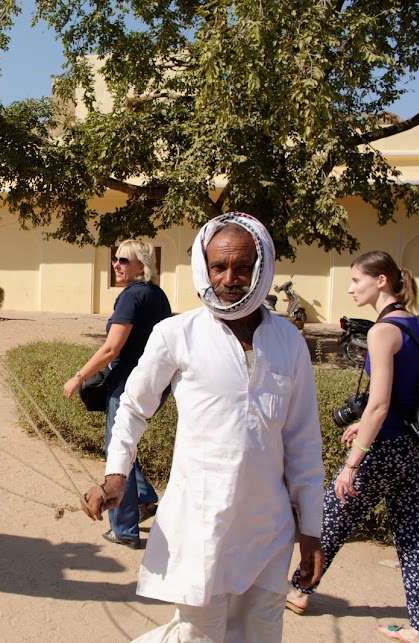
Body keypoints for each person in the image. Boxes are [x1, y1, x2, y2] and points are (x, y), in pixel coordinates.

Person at [80, 213, 325, 642]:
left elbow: (303, 441)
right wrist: (116, 474)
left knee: (261, 632)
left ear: (262, 268)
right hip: (201, 523)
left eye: (243, 267)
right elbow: (134, 407)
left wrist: (311, 530)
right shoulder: (177, 334)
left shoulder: (289, 342)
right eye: (219, 267)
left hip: (268, 529)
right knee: (201, 633)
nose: (231, 278)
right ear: (204, 269)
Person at [287, 251, 419, 643]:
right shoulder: (417, 325)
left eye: (356, 280)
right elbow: (402, 397)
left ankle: (298, 591)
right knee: (412, 532)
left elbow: (380, 403)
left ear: (381, 281)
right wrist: (363, 423)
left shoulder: (381, 331)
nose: (351, 288)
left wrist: (353, 462)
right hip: (412, 445)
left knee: (331, 517)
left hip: (384, 448)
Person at [63, 240, 171, 548]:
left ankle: (124, 529)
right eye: (115, 259)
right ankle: (145, 500)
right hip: (153, 385)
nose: (116, 264)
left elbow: (111, 348)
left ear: (141, 266)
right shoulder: (158, 295)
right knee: (127, 444)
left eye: (124, 260)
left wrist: (78, 376)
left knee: (116, 451)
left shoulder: (131, 296)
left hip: (126, 387)